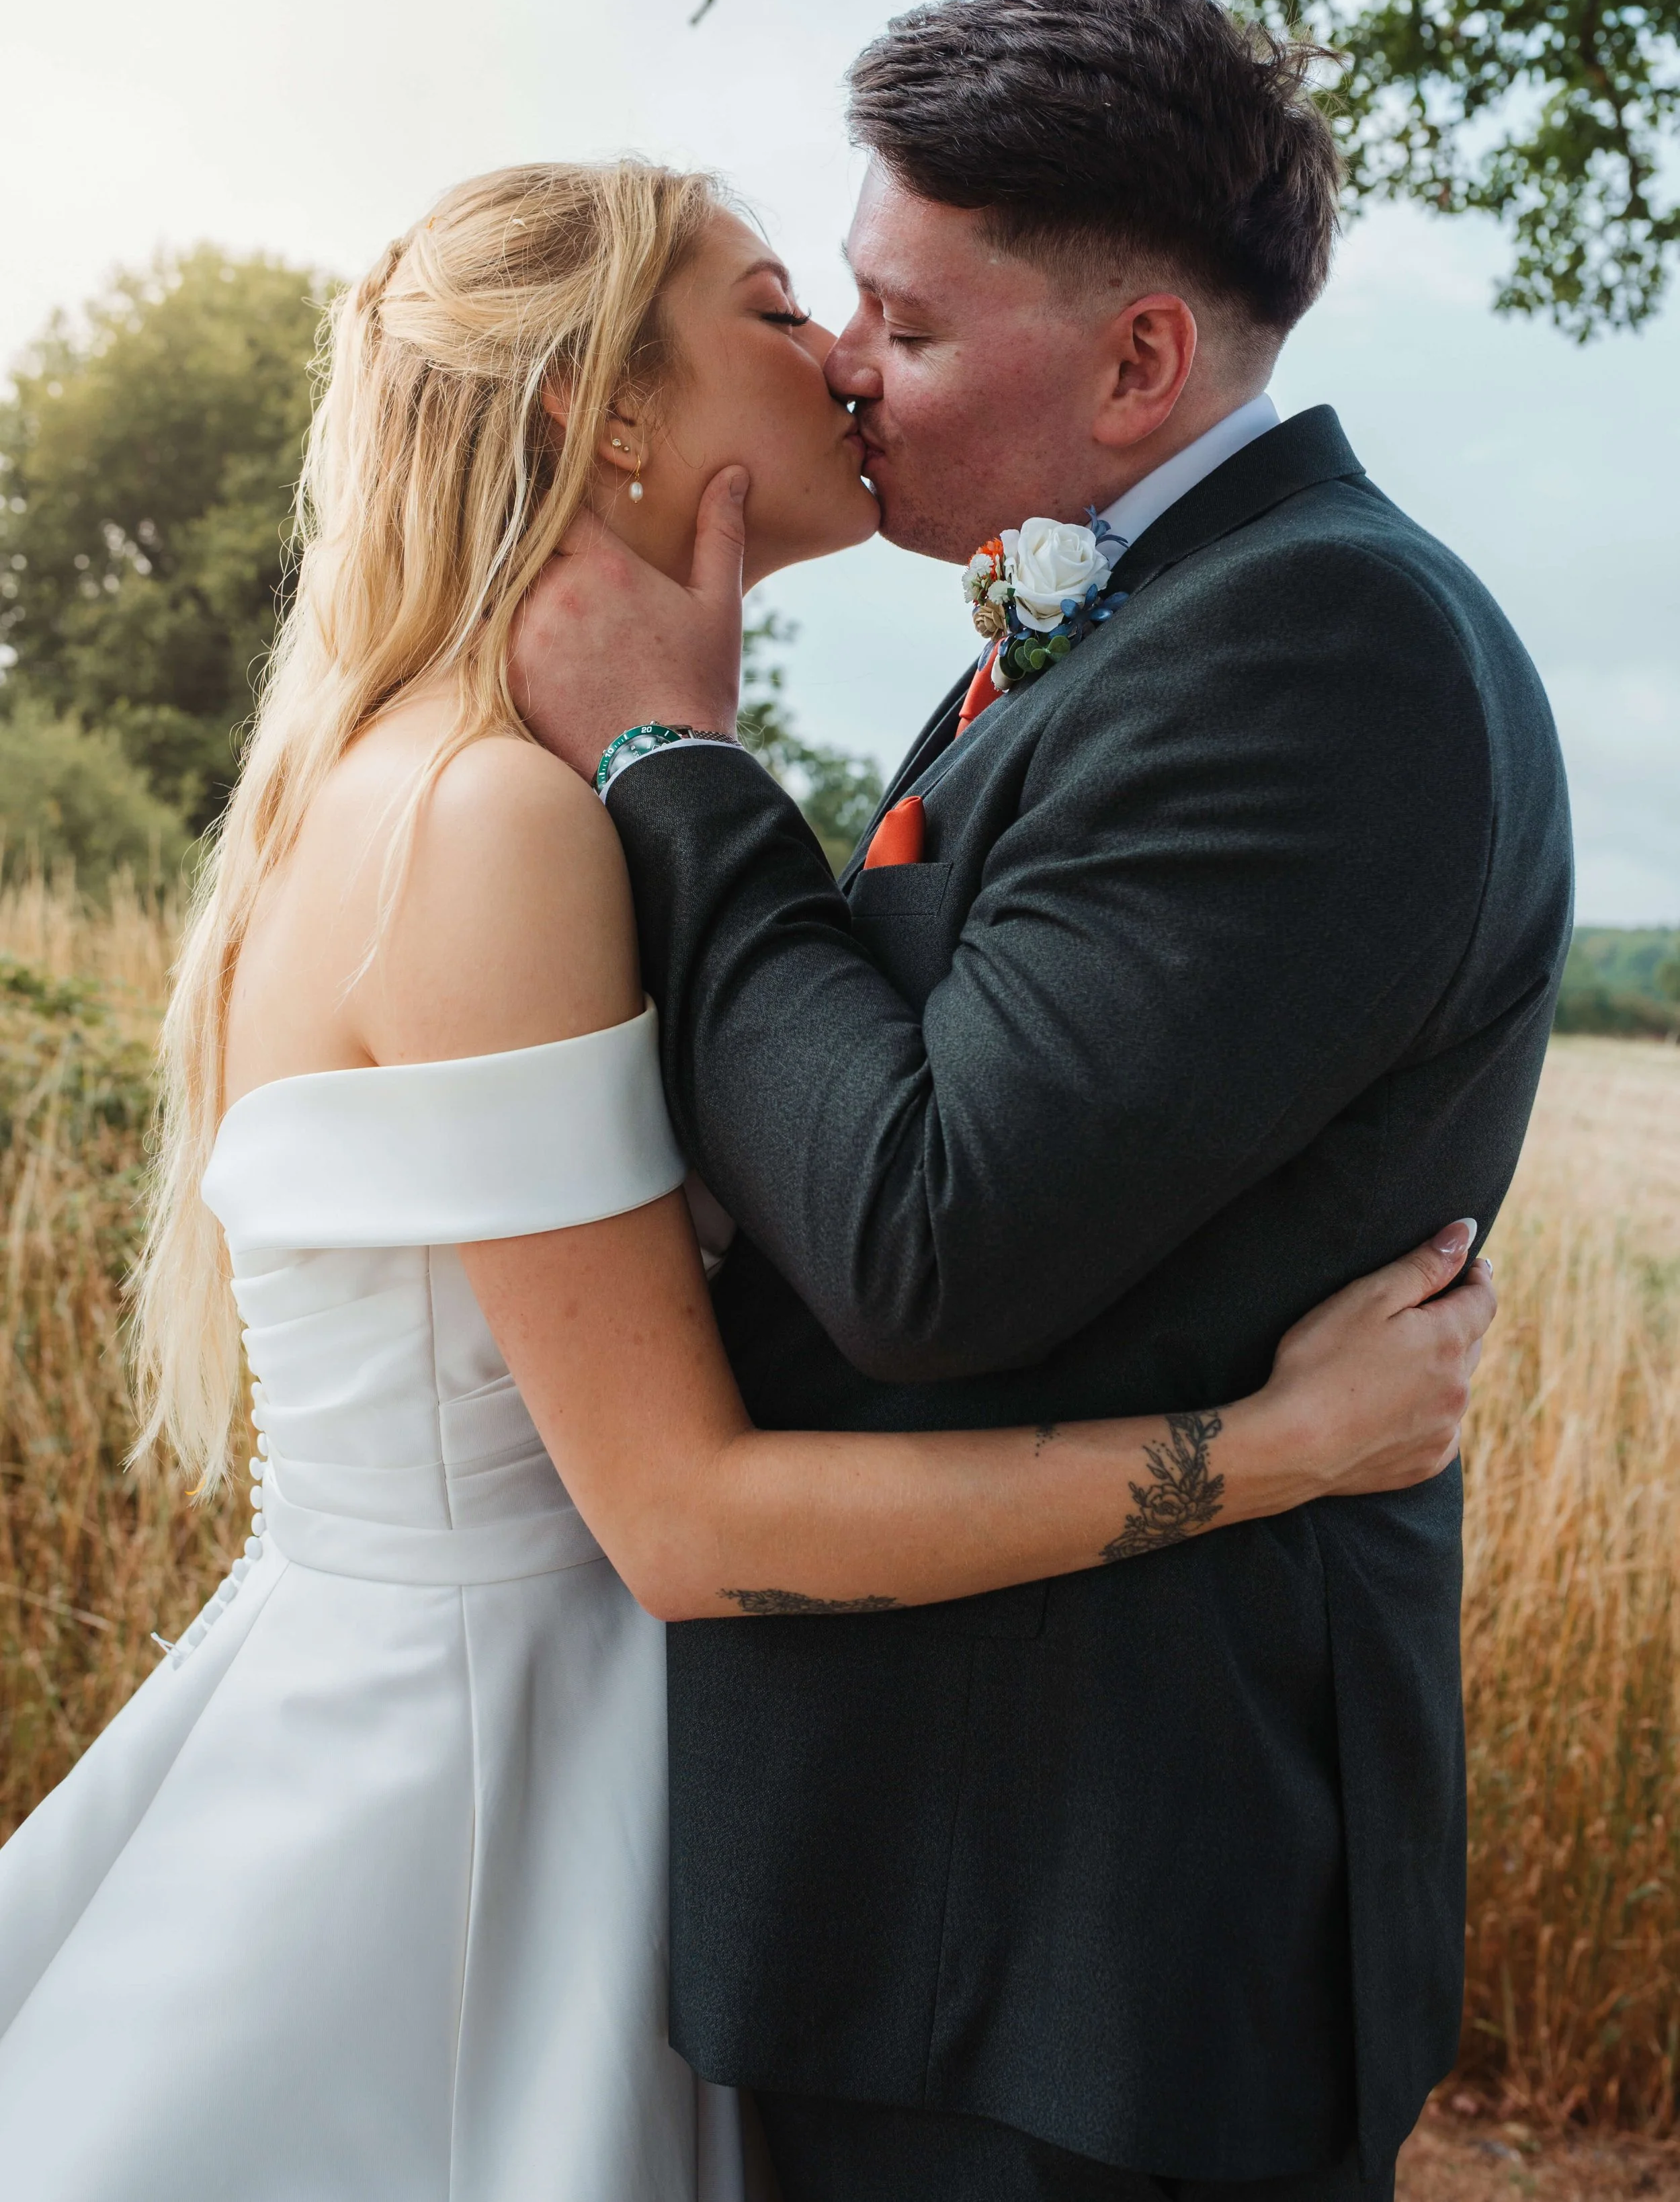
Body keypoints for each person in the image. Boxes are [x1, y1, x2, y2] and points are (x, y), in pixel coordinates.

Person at [0, 158, 1494, 2202]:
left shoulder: (436, 780)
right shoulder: (492, 823)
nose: (845, 363)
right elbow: (686, 1517)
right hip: (472, 1834)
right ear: (602, 414)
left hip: (534, 1761)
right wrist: (1279, 1443)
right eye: (783, 306)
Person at [511, 0, 1575, 2202]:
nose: (839, 368)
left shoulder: (1325, 653)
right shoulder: (1165, 619)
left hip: (1089, 1943)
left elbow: (925, 1230)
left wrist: (677, 768)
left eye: (899, 322)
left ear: (1135, 365)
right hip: (946, 1898)